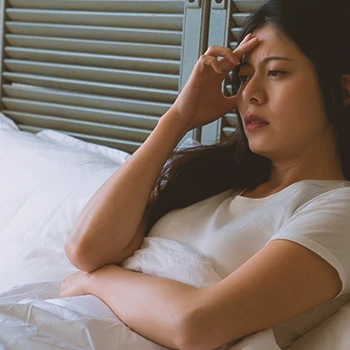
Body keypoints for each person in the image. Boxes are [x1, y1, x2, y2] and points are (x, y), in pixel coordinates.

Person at [60, 0, 350, 349]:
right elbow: (85, 250)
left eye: (275, 73)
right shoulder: (211, 180)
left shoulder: (339, 211)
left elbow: (195, 325)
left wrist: (97, 282)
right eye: (243, 77)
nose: (250, 94)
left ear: (343, 91)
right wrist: (178, 118)